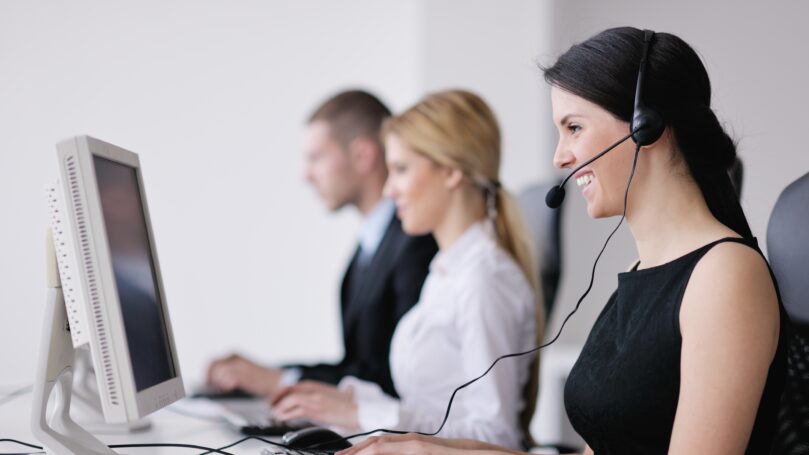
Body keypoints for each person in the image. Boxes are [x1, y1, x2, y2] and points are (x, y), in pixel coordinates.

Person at [337, 27, 788, 455]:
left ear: (644, 126)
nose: (560, 157)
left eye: (574, 128)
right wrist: (430, 447)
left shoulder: (725, 276)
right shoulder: (639, 273)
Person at [270, 89, 545, 449]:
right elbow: (436, 409)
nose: (388, 189)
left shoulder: (483, 278)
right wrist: (354, 405)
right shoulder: (447, 269)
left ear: (450, 172)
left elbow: (496, 438)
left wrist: (367, 416)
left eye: (400, 169)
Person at [206, 90, 438, 399]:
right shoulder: (371, 244)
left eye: (316, 158)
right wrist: (267, 374)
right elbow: (355, 366)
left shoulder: (416, 245)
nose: (306, 175)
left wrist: (280, 381)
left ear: (362, 156)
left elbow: (393, 381)